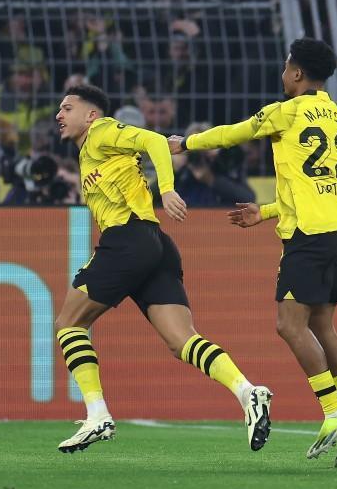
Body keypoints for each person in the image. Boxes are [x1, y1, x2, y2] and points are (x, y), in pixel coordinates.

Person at [168, 38, 337, 464]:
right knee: (322, 325)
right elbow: (316, 185)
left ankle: (334, 411)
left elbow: (233, 134)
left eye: (286, 68)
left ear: (296, 73)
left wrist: (185, 144)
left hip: (308, 235)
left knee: (288, 324)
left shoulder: (287, 111)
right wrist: (263, 212)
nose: (283, 75)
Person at [52, 84, 271, 454]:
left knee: (68, 324)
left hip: (127, 240)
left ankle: (97, 414)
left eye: (67, 107)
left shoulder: (102, 130)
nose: (59, 115)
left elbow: (154, 141)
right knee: (181, 340)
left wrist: (166, 190)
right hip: (154, 245)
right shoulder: (91, 152)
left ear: (90, 114)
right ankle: (248, 391)